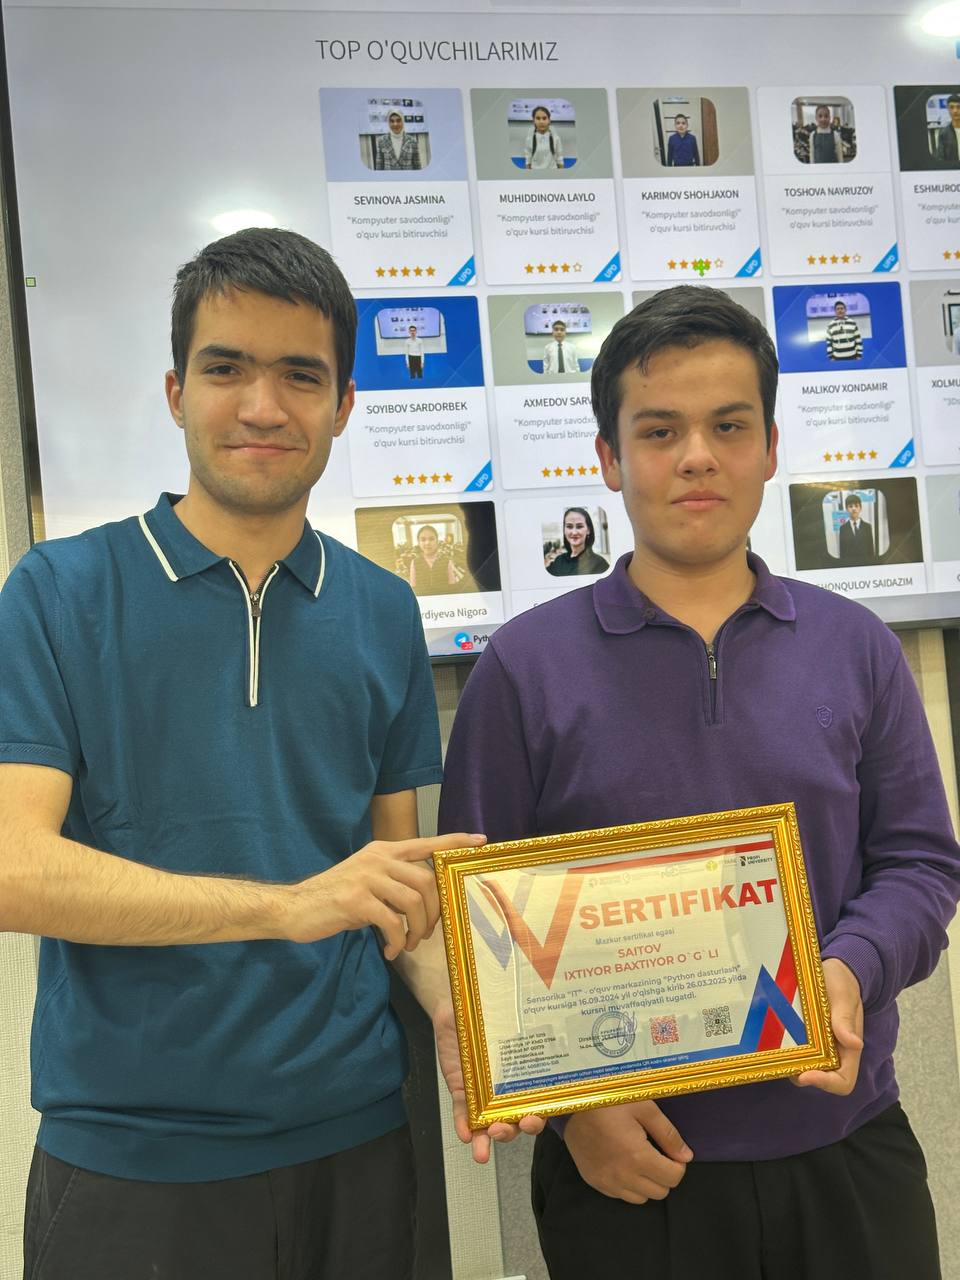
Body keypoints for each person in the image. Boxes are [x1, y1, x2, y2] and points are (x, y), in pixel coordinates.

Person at [0, 227, 527, 1280]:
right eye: (225, 368)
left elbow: (396, 891)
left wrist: (462, 1012)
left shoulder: (382, 608)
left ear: (344, 405)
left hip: (359, 1140)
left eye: (300, 375)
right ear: (174, 391)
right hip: (135, 1159)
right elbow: (15, 868)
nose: (261, 406)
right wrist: (286, 906)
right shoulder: (59, 592)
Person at [438, 285, 960, 1280]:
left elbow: (921, 866)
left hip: (845, 1145)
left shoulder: (857, 648)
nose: (696, 456)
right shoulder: (522, 668)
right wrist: (579, 1110)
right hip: (627, 1168)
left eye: (728, 426)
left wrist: (848, 969)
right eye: (659, 430)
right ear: (608, 458)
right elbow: (479, 920)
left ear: (770, 445)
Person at [545, 507, 609, 576]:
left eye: (579, 526)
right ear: (564, 530)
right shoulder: (559, 561)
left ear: (588, 530)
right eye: (569, 526)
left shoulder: (600, 564)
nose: (574, 532)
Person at [407, 524, 466, 595]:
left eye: (431, 539)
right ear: (418, 543)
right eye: (423, 540)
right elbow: (413, 588)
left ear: (437, 541)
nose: (427, 543)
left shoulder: (447, 561)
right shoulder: (415, 562)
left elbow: (452, 587)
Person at [837, 492, 877, 565]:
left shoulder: (867, 527)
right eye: (850, 506)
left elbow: (871, 549)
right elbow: (842, 551)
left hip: (865, 563)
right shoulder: (843, 529)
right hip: (849, 564)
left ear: (860, 508)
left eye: (856, 506)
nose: (854, 508)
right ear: (846, 509)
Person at [525, 105, 564, 171]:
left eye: (544, 118)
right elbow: (528, 160)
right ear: (533, 120)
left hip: (552, 172)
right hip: (535, 172)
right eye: (538, 118)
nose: (541, 122)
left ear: (549, 120)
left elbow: (559, 159)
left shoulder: (556, 138)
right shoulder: (529, 139)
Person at [935, 93, 960, 163]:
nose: (955, 111)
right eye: (952, 107)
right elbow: (940, 158)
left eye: (958, 107)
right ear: (948, 109)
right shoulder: (943, 133)